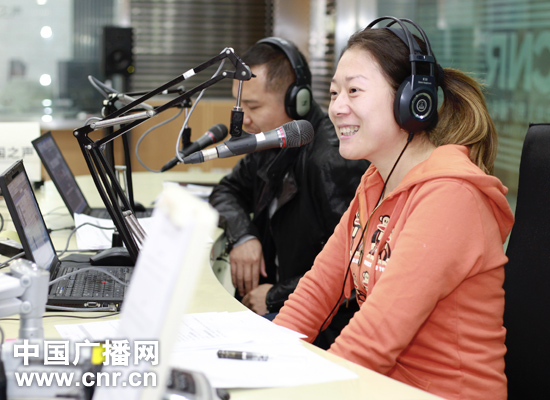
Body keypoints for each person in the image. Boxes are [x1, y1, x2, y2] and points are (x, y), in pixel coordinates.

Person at [273, 17, 515, 400]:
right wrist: (265, 358)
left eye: (354, 91)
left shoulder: (452, 197)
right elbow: (317, 291)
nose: (337, 108)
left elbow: (374, 338)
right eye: (334, 93)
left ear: (411, 102)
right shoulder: (375, 182)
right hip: (384, 387)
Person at [208, 37, 369, 348]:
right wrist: (243, 235)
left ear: (297, 101)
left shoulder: (331, 160)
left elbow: (352, 266)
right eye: (241, 105)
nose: (244, 118)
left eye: (254, 106)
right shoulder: (271, 141)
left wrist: (275, 295)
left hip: (323, 323)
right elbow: (227, 190)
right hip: (282, 302)